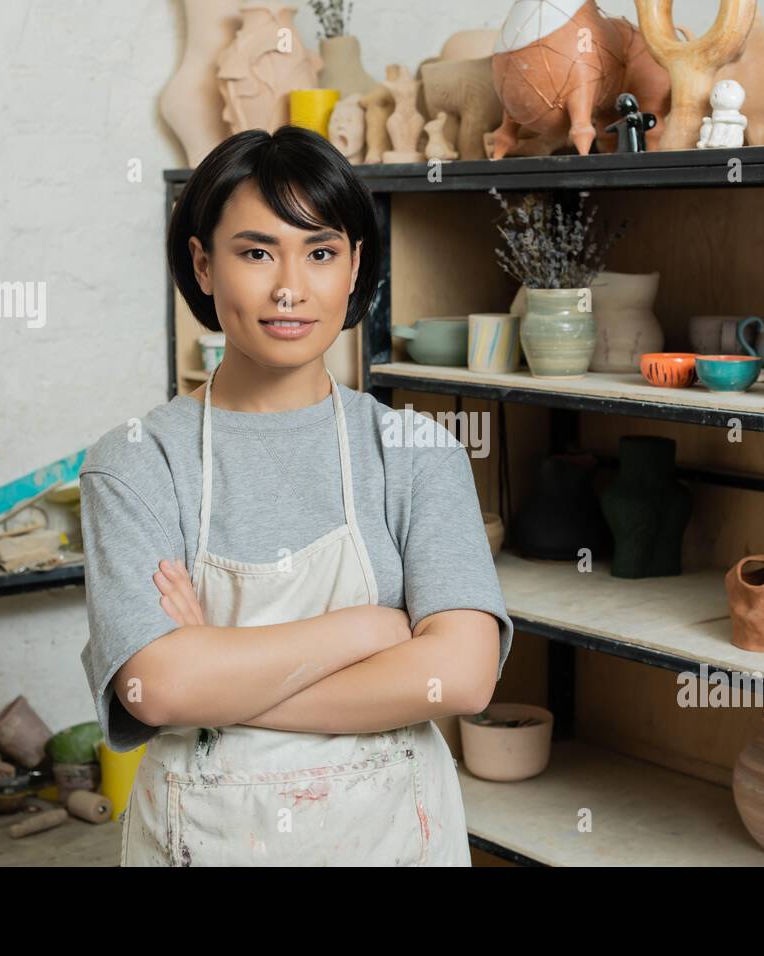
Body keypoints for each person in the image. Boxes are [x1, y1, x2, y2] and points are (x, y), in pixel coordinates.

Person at [78, 125, 513, 866]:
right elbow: (156, 689)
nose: (290, 287)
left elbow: (464, 675)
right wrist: (373, 632)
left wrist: (218, 672)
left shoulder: (416, 453)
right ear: (203, 265)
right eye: (255, 252)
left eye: (320, 253)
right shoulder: (136, 461)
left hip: (393, 841)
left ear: (353, 271)